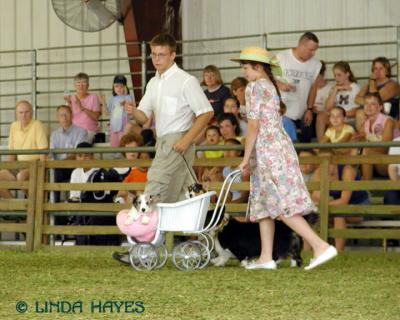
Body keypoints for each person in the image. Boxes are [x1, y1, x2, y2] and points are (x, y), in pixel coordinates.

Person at [233, 46, 337, 270]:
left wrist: (245, 157)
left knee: (280, 204)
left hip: (268, 150)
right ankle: (266, 257)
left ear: (258, 67)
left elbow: (253, 125)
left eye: (245, 67)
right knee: (264, 203)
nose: (243, 71)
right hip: (276, 148)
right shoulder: (269, 85)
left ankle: (319, 246)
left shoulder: (254, 87)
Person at [124, 33, 213, 203]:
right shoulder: (153, 83)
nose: (156, 59)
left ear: (172, 55)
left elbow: (206, 112)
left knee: (155, 181)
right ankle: (206, 225)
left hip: (178, 139)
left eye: (161, 55)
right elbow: (143, 117)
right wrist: (133, 111)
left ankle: (144, 222)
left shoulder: (186, 81)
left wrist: (187, 140)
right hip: (163, 141)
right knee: (183, 192)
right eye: (153, 54)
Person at [312, 162, 369, 251]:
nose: (327, 166)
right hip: (336, 206)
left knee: (338, 214)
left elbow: (344, 201)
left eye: (330, 162)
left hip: (359, 206)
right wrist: (318, 205)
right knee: (313, 215)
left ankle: (339, 253)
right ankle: (307, 254)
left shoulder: (347, 171)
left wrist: (321, 205)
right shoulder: (319, 172)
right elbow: (316, 198)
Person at [276, 32, 322, 143]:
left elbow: (313, 89)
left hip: (302, 112)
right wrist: (279, 84)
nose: (313, 53)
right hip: (281, 112)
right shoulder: (280, 58)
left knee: (304, 144)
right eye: (311, 50)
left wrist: (309, 109)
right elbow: (266, 78)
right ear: (301, 45)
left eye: (315, 50)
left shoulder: (316, 64)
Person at [0, 100, 48, 199]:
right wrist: (6, 168)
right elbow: (12, 154)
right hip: (19, 165)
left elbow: (43, 153)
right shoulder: (14, 126)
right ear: (16, 114)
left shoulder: (37, 125)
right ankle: (16, 210)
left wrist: (43, 172)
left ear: (32, 112)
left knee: (21, 176)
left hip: (34, 165)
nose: (24, 115)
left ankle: (33, 205)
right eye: (21, 113)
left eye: (27, 112)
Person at [355, 92, 399, 180]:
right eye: (366, 104)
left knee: (366, 151)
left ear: (380, 107)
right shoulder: (365, 124)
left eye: (373, 104)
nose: (368, 106)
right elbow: (357, 139)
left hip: (395, 162)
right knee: (355, 151)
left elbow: (385, 148)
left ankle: (366, 187)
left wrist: (365, 143)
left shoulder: (388, 121)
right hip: (379, 161)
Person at [50, 104, 89, 202]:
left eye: (66, 114)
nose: (64, 117)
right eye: (61, 115)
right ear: (57, 118)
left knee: (56, 172)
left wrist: (59, 163)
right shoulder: (54, 135)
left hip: (75, 166)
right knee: (53, 173)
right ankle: (55, 204)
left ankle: (74, 203)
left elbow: (77, 154)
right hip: (59, 168)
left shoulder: (81, 132)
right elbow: (51, 154)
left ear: (72, 115)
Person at [355, 57, 400, 127]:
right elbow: (357, 99)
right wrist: (369, 103)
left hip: (387, 116)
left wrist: (372, 80)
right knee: (360, 112)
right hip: (370, 114)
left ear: (387, 71)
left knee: (361, 112)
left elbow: (376, 99)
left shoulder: (393, 85)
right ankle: (365, 135)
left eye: (381, 68)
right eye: (375, 68)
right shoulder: (368, 85)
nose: (377, 71)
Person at [320, 61, 360, 133]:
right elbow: (328, 107)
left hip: (349, 119)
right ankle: (320, 143)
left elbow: (356, 111)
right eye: (335, 75)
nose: (336, 78)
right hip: (337, 119)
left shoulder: (355, 87)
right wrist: (336, 89)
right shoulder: (335, 88)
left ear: (347, 74)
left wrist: (338, 116)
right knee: (321, 116)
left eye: (339, 75)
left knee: (334, 124)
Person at [64, 72, 101, 142]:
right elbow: (66, 119)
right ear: (74, 85)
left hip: (89, 131)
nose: (81, 86)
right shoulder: (71, 98)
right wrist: (69, 103)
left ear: (88, 85)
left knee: (80, 144)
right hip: (74, 130)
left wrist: (82, 108)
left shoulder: (93, 96)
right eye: (78, 83)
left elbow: (96, 117)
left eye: (84, 83)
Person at [101, 75, 134, 147]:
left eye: (121, 86)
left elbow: (131, 113)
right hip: (113, 127)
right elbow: (107, 113)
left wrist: (125, 98)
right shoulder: (111, 99)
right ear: (113, 87)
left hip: (124, 126)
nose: (119, 89)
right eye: (116, 86)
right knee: (114, 146)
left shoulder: (128, 97)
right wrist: (103, 102)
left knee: (124, 144)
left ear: (125, 87)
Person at [314, 61, 334, 141]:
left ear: (323, 75)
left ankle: (321, 144)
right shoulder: (310, 89)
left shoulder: (330, 88)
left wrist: (318, 111)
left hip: (323, 115)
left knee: (321, 116)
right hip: (312, 116)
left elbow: (328, 108)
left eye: (317, 76)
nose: (315, 79)